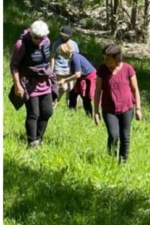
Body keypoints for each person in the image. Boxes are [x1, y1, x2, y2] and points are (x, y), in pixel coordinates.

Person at [10, 20, 58, 148]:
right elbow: (14, 66)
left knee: (47, 111)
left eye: (40, 37)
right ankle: (32, 142)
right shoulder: (21, 44)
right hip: (29, 84)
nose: (38, 40)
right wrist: (17, 85)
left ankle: (39, 138)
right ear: (31, 34)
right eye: (35, 37)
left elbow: (46, 61)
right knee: (34, 113)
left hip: (44, 82)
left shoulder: (46, 41)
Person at [93, 44, 142, 163]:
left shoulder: (128, 69)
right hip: (109, 109)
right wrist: (96, 112)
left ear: (116, 58)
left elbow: (135, 90)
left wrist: (138, 109)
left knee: (125, 137)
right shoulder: (102, 69)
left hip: (127, 108)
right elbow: (98, 91)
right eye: (104, 58)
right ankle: (110, 160)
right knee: (113, 135)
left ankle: (123, 162)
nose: (105, 61)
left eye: (108, 58)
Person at [56, 42, 96, 116]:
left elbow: (77, 74)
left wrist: (65, 80)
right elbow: (73, 74)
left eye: (61, 54)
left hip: (89, 77)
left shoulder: (75, 58)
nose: (60, 56)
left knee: (85, 97)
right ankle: (72, 113)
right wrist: (60, 77)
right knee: (73, 94)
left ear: (65, 53)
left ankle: (89, 115)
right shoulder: (71, 58)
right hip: (82, 77)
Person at [50, 26, 80, 105]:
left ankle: (69, 106)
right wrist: (51, 70)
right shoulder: (56, 43)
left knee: (70, 90)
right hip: (58, 69)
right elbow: (53, 57)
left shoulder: (74, 44)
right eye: (63, 35)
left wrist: (75, 70)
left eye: (66, 36)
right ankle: (53, 102)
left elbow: (76, 58)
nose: (64, 37)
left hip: (69, 70)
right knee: (62, 87)